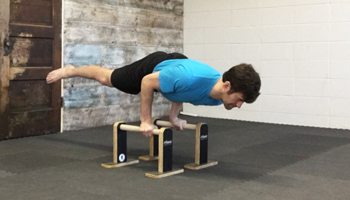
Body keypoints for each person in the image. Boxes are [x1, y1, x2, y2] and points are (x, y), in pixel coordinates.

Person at [46, 51, 261, 136]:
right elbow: (147, 82)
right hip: (155, 68)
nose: (238, 105)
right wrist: (146, 121)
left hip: (177, 67)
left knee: (175, 84)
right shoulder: (188, 77)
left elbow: (184, 94)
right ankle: (71, 69)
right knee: (107, 78)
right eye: (239, 100)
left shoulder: (219, 98)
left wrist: (173, 117)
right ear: (227, 86)